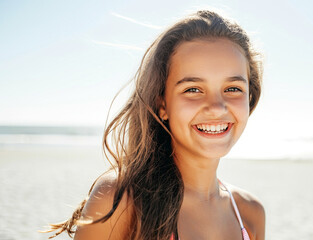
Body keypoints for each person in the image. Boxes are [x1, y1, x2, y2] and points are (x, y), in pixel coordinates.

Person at [45, 10, 265, 240]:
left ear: (250, 96)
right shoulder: (121, 201)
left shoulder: (250, 213)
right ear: (162, 104)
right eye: (193, 90)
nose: (217, 107)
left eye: (232, 89)